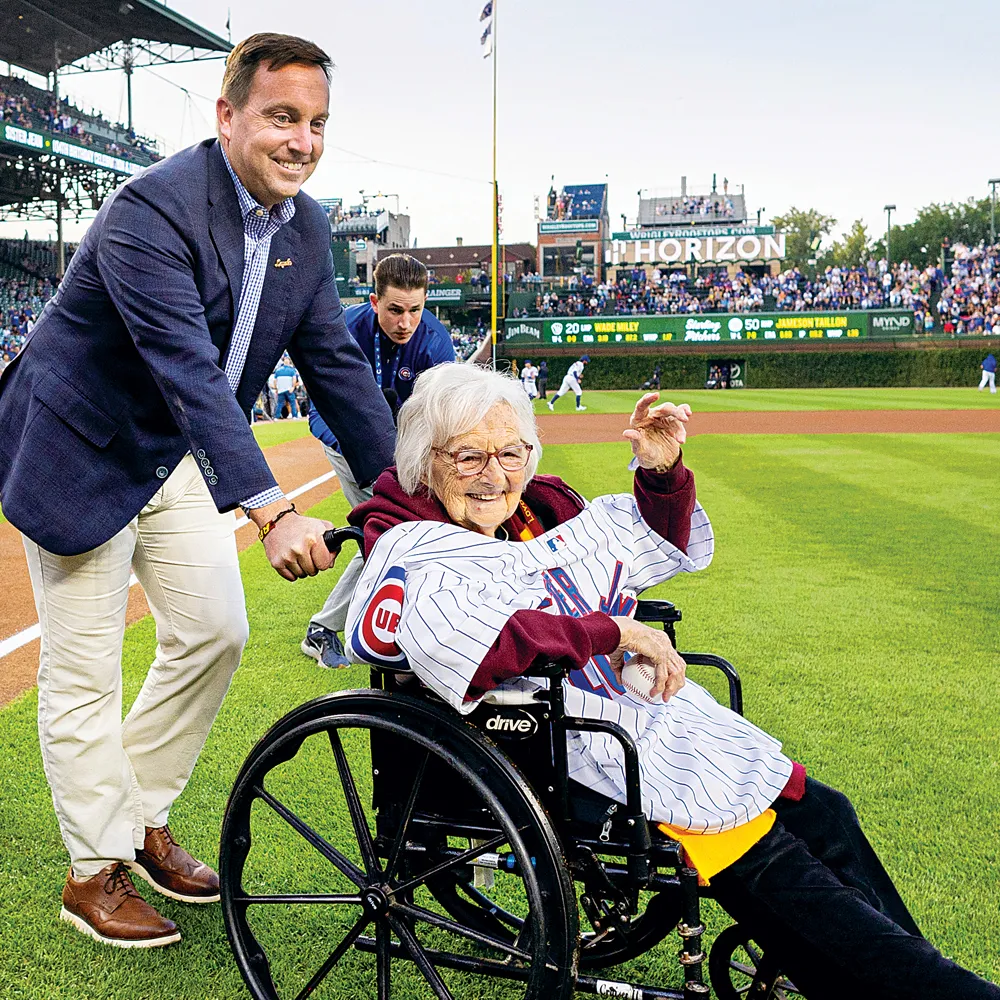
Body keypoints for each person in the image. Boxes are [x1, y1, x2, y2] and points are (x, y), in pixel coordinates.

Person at [344, 364, 1000, 1000]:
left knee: (826, 814)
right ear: (426, 460)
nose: (495, 477)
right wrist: (612, 632)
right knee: (767, 861)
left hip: (636, 712)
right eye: (469, 458)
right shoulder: (415, 545)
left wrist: (661, 473)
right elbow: (476, 642)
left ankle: (897, 975)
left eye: (511, 453)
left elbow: (645, 543)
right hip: (554, 745)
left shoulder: (539, 511)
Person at [0, 33, 396, 948]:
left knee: (216, 629)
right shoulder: (151, 208)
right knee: (83, 672)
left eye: (318, 123)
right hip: (80, 446)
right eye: (283, 118)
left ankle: (136, 817)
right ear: (228, 117)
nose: (303, 140)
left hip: (171, 450)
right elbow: (186, 367)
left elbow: (334, 366)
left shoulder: (306, 226)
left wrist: (407, 492)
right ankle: (92, 872)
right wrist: (271, 508)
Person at [301, 253, 455, 668]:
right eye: (395, 310)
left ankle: (388, 618)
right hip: (345, 437)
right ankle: (324, 627)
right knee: (386, 530)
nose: (406, 322)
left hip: (402, 444)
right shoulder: (346, 328)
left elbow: (439, 417)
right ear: (373, 301)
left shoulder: (435, 343)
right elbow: (320, 396)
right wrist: (352, 443)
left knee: (392, 531)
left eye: (416, 310)